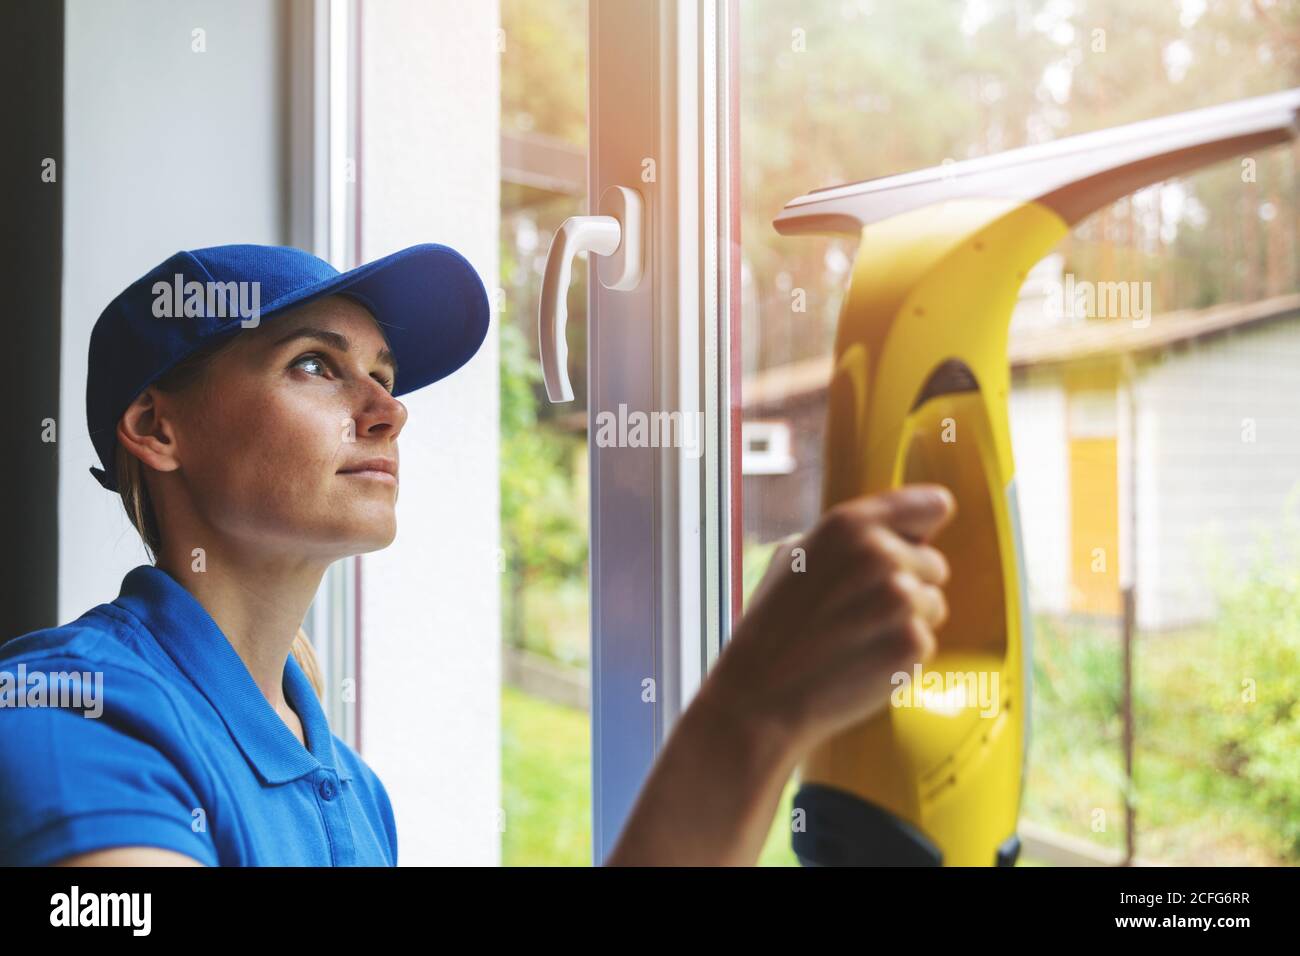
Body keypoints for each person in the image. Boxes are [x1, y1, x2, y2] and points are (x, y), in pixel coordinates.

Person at [0, 242, 953, 867]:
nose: (387, 410)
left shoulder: (347, 786)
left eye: (382, 375)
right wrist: (753, 713)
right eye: (314, 365)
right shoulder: (73, 717)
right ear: (154, 427)